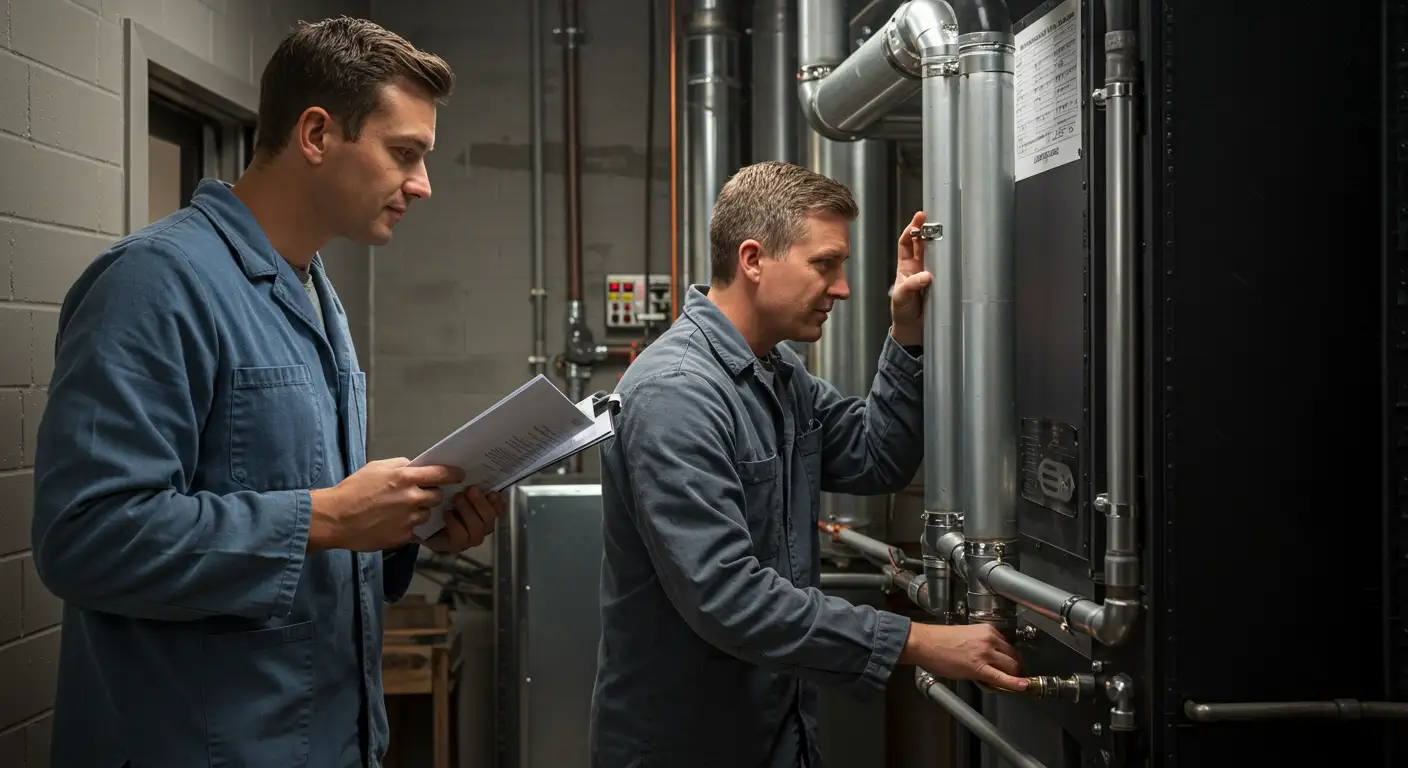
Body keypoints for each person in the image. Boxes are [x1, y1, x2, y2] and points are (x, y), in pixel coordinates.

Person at [30, 18, 500, 768]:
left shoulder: (317, 294)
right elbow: (85, 539)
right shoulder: (154, 284)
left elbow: (309, 523)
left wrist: (405, 527)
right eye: (403, 153)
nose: (422, 183)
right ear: (316, 133)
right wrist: (325, 517)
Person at [588, 161, 1028, 768]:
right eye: (825, 264)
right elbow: (728, 596)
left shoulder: (777, 371)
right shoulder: (678, 392)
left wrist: (908, 333)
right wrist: (920, 641)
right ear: (753, 258)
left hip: (778, 731)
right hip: (688, 744)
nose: (843, 288)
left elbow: (876, 458)